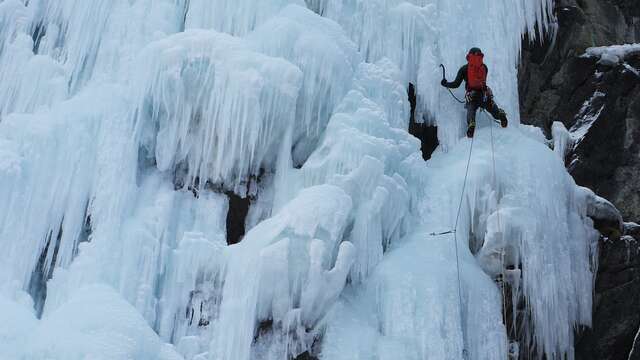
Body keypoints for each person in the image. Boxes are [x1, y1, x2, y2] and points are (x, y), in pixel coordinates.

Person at [440, 47, 508, 138]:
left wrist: (446, 84)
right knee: (493, 110)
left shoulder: (464, 69)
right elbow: (483, 82)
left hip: (472, 95)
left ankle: (471, 123)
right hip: (484, 94)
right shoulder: (484, 67)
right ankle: (500, 114)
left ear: (468, 57)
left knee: (471, 110)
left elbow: (456, 84)